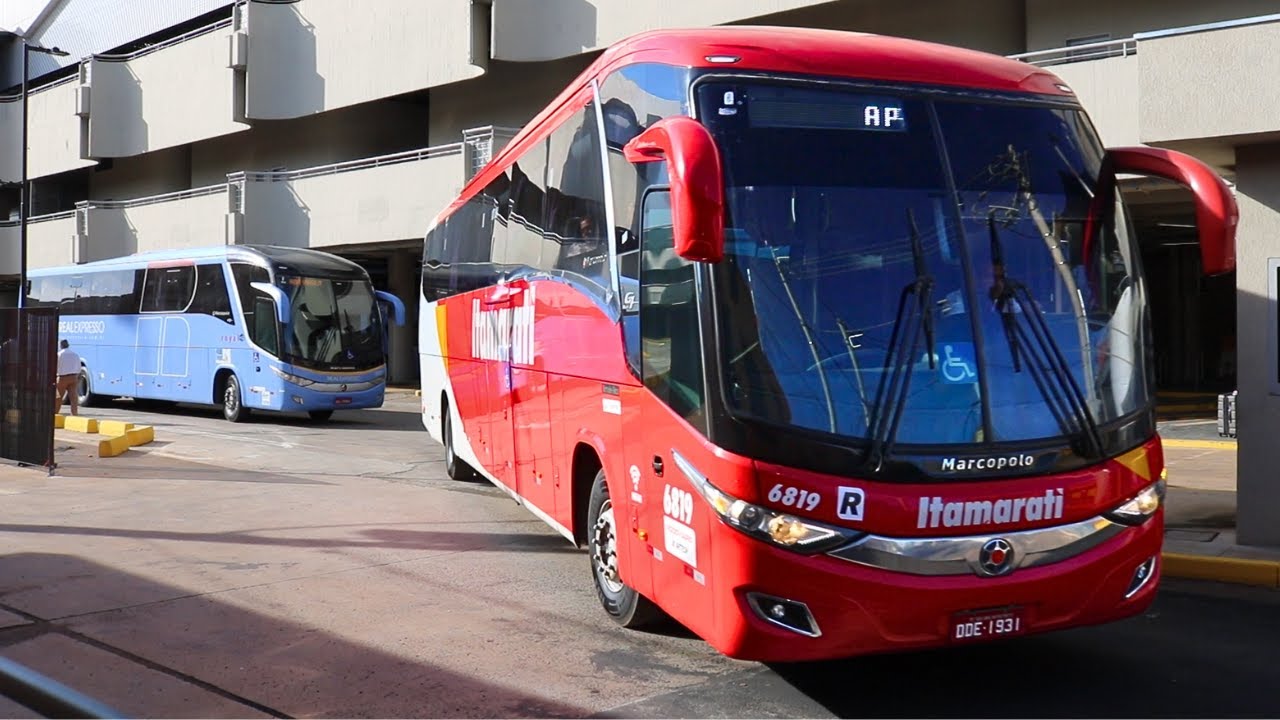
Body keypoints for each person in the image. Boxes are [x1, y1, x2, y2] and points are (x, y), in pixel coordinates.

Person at [54, 339, 82, 417]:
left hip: (62, 378)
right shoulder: (75, 354)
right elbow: (79, 368)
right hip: (73, 377)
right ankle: (74, 414)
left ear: (61, 346)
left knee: (58, 397)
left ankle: (56, 414)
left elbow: (55, 366)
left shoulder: (59, 355)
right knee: (73, 398)